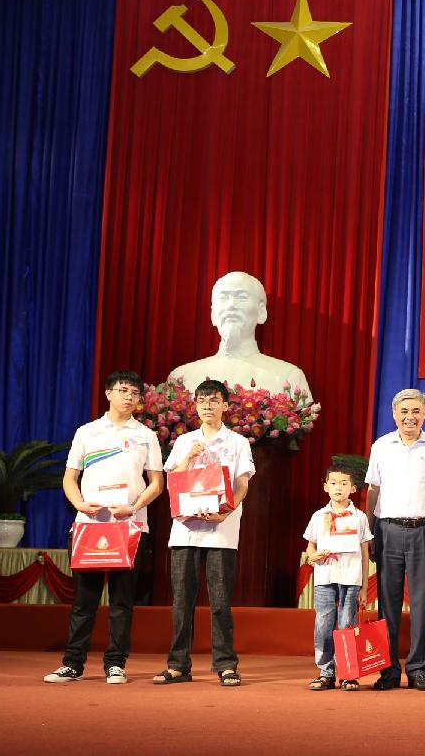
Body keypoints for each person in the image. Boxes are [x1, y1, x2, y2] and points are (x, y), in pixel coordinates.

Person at [44, 370, 163, 685]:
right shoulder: (87, 432)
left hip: (130, 526)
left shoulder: (146, 435)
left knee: (122, 602)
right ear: (108, 393)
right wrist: (80, 504)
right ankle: (72, 664)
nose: (129, 397)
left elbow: (157, 483)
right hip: (90, 525)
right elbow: (70, 477)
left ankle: (115, 664)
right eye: (123, 390)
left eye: (134, 393)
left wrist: (133, 508)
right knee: (84, 601)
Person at [153, 379, 255, 687]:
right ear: (195, 406)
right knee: (182, 601)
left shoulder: (237, 442)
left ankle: (225, 664)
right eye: (202, 400)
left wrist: (226, 511)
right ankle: (178, 665)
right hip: (185, 531)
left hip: (222, 530)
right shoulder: (185, 441)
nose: (207, 406)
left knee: (220, 602)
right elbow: (172, 482)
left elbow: (242, 484)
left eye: (213, 400)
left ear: (225, 405)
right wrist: (188, 458)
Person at [364, 388, 425, 691]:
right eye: (404, 411)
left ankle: (418, 669)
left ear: (424, 415)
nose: (409, 417)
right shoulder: (381, 446)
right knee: (387, 604)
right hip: (387, 530)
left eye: (416, 411)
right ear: (394, 415)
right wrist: (369, 532)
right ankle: (388, 671)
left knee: (421, 603)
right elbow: (373, 490)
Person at [168, 271, 312, 398]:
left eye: (242, 297)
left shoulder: (288, 377)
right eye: (224, 298)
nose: (231, 305)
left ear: (261, 312)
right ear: (213, 315)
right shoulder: (182, 377)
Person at [302, 463, 372, 690]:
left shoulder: (359, 517)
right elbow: (310, 547)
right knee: (323, 623)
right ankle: (326, 672)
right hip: (325, 577)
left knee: (346, 624)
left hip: (351, 579)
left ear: (353, 488)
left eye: (343, 483)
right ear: (326, 487)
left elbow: (364, 552)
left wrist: (364, 587)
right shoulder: (319, 516)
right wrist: (314, 555)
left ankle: (348, 673)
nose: (338, 487)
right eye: (333, 483)